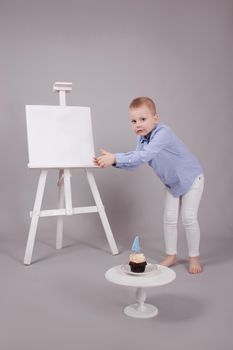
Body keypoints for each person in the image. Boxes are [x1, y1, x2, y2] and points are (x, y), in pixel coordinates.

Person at [93, 97, 204, 274]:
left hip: (191, 178)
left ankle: (194, 257)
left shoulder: (163, 133)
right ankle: (171, 255)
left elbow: (144, 156)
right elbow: (136, 163)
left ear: (155, 118)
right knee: (169, 218)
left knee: (189, 218)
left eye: (143, 119)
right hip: (172, 183)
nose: (138, 124)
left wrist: (115, 157)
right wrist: (113, 161)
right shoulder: (142, 140)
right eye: (134, 121)